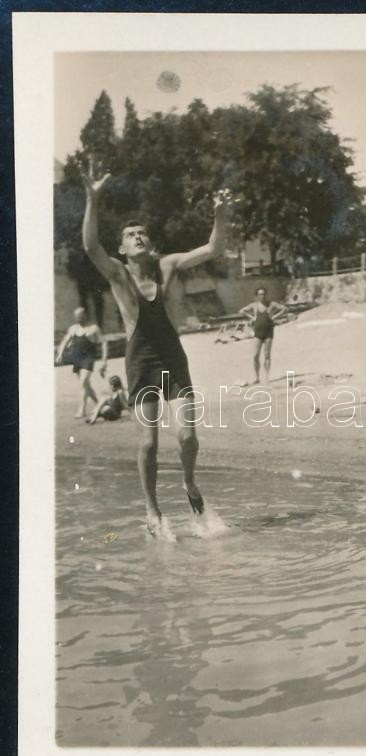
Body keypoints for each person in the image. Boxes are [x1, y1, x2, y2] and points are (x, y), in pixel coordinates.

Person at [80, 164, 229, 536]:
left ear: (151, 241)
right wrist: (92, 199)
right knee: (148, 443)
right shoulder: (118, 274)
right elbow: (90, 247)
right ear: (122, 248)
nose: (138, 236)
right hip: (141, 363)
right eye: (131, 235)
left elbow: (214, 248)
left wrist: (220, 214)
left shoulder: (168, 265)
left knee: (187, 437)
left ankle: (189, 482)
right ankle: (152, 509)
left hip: (173, 360)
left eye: (142, 232)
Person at [56, 306, 108, 418]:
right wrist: (60, 354)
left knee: (83, 381)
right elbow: (65, 341)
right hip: (76, 359)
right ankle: (99, 404)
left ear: (85, 316)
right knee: (86, 385)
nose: (78, 319)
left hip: (88, 358)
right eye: (76, 317)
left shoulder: (94, 328)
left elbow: (104, 342)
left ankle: (82, 409)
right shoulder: (73, 329)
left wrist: (104, 360)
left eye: (80, 317)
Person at [239, 287, 288, 384]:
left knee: (267, 355)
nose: (262, 296)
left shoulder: (272, 304)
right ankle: (257, 377)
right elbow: (241, 311)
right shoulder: (254, 305)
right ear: (257, 296)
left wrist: (274, 317)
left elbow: (285, 309)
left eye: (264, 294)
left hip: (268, 332)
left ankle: (266, 376)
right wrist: (252, 317)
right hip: (258, 332)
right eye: (260, 294)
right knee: (255, 355)